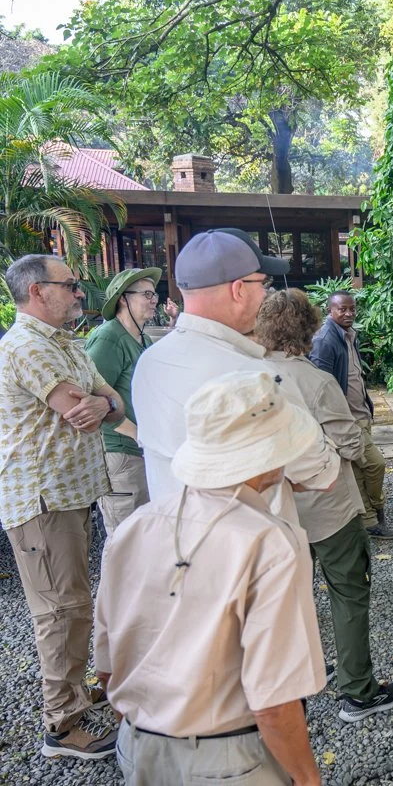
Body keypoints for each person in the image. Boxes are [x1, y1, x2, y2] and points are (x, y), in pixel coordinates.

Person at [96, 372, 329, 786]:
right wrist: (308, 778)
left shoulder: (133, 527)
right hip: (230, 759)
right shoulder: (268, 541)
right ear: (271, 453)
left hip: (137, 745)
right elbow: (273, 701)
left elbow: (108, 669)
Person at [256, 290, 393, 721]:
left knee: (284, 599)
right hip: (328, 507)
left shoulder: (249, 375)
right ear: (308, 329)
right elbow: (351, 442)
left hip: (273, 508)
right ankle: (358, 690)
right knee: (348, 593)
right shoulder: (314, 380)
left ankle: (290, 686)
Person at [0, 254, 125, 758]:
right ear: (36, 292)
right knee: (60, 609)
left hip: (70, 495)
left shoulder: (65, 344)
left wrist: (106, 403)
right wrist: (101, 404)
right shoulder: (28, 346)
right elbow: (80, 409)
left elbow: (109, 403)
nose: (78, 293)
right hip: (43, 500)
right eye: (69, 284)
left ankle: (73, 693)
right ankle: (61, 726)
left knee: (72, 603)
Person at [131, 228, 342, 527]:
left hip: (177, 547)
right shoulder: (258, 377)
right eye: (263, 283)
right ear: (238, 289)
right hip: (253, 555)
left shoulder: (149, 362)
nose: (267, 294)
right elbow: (322, 473)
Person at [311, 290, 393, 539]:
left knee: (359, 470)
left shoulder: (349, 335)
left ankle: (369, 520)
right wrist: (335, 420)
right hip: (346, 419)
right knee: (375, 464)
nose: (349, 313)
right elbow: (321, 385)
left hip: (360, 413)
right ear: (330, 310)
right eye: (343, 309)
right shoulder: (325, 340)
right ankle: (377, 508)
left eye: (352, 308)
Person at [84, 267, 160, 533]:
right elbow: (91, 400)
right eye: (147, 294)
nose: (154, 299)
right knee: (125, 539)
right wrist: (139, 436)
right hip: (122, 453)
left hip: (144, 451)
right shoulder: (109, 337)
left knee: (147, 536)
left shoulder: (145, 339)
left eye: (155, 294)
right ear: (122, 299)